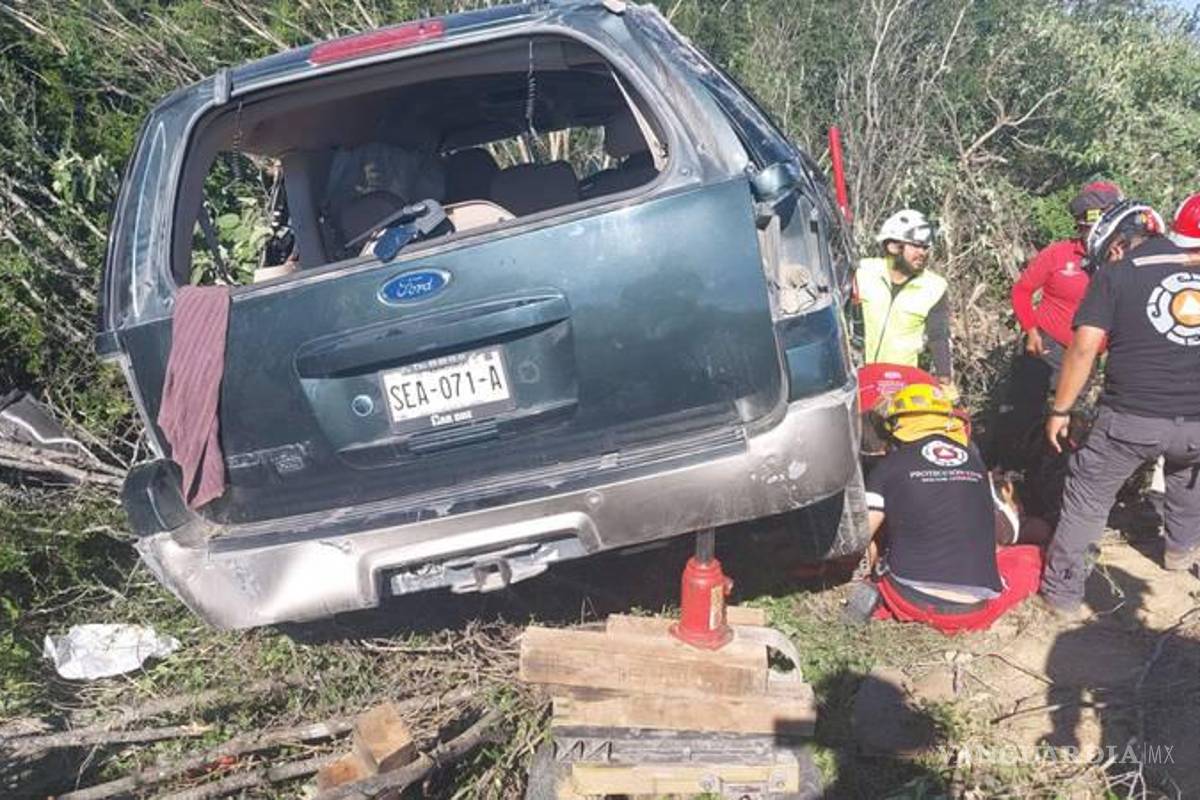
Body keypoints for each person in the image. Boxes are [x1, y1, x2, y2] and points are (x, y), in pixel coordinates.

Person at [1042, 200, 1200, 617]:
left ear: (1115, 244)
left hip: (1131, 418)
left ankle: (1063, 594)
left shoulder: (1119, 273)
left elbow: (1084, 348)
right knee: (1188, 478)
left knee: (1088, 497)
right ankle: (1180, 554)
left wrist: (1062, 410)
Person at [846, 384, 1045, 632]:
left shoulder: (888, 467)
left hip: (907, 599)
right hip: (970, 613)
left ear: (895, 427)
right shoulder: (975, 464)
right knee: (1030, 558)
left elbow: (859, 536)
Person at [992, 182, 1123, 470]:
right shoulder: (1059, 253)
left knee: (1067, 419)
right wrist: (1031, 330)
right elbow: (1022, 291)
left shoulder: (1123, 261)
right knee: (1022, 413)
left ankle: (1050, 479)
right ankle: (1009, 474)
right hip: (1047, 346)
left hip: (1087, 356)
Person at [856, 210, 954, 387]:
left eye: (925, 247)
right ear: (893, 246)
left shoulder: (934, 287)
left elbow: (938, 336)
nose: (923, 252)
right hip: (860, 378)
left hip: (902, 382)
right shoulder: (863, 272)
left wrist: (945, 379)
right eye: (916, 245)